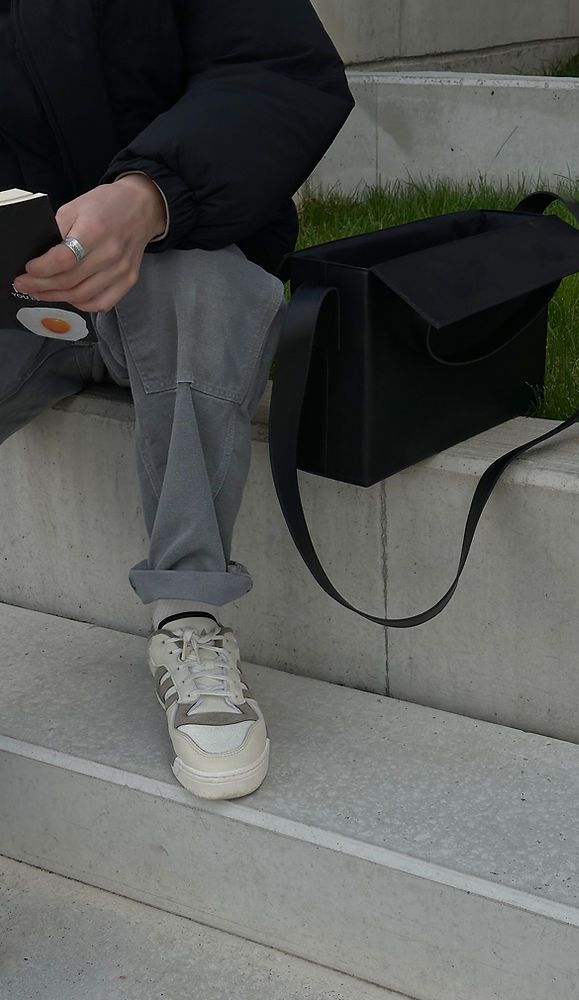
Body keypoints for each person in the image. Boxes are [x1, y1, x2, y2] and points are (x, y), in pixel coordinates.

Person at [0, 0, 353, 799]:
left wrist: (149, 194)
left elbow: (277, 67)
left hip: (183, 254)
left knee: (197, 288)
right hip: (24, 291)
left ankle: (188, 618)